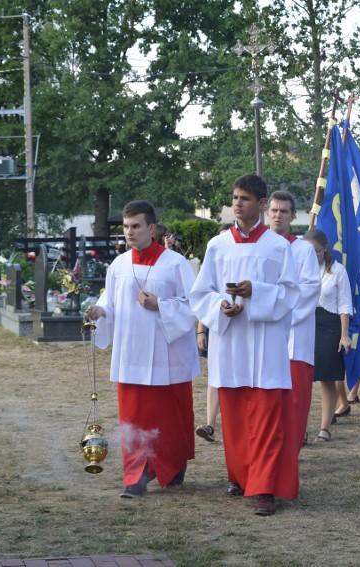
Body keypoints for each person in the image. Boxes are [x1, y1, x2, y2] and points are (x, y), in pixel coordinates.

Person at [188, 174, 300, 515]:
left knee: (266, 417)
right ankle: (240, 475)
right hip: (231, 339)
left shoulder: (278, 247)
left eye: (246, 199)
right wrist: (219, 307)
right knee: (235, 418)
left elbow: (291, 293)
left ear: (262, 204)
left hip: (265, 343)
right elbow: (201, 292)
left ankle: (265, 488)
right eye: (235, 197)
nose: (237, 203)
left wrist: (257, 292)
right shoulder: (217, 245)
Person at [84, 200, 200, 498]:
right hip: (132, 353)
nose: (129, 232)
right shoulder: (119, 265)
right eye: (125, 227)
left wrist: (158, 305)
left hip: (166, 355)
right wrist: (100, 310)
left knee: (167, 416)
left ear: (151, 228)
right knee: (133, 415)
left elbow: (193, 304)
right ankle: (136, 474)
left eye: (135, 226)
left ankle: (171, 465)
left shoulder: (175, 263)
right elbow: (110, 299)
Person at [266, 190, 321, 455]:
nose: (278, 215)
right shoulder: (257, 249)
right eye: (274, 210)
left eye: (283, 211)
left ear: (292, 216)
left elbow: (309, 288)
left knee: (295, 399)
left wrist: (278, 312)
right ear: (267, 213)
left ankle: (290, 451)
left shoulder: (302, 250)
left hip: (294, 337)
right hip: (262, 334)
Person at [304, 228, 352, 440]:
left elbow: (344, 304)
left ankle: (325, 427)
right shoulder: (298, 269)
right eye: (308, 251)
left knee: (327, 378)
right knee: (302, 379)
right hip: (305, 324)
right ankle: (301, 429)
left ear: (325, 248)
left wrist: (344, 334)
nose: (312, 255)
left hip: (329, 325)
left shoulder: (337, 270)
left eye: (316, 251)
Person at [195, 223, 234, 443]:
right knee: (215, 376)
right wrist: (201, 331)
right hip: (215, 322)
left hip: (238, 322)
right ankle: (210, 423)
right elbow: (204, 297)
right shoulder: (213, 258)